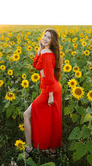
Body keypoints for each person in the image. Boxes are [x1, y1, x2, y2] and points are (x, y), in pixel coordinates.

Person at [23, 28, 63, 159]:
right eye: (44, 36)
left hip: (49, 89)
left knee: (26, 114)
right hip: (52, 88)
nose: (45, 39)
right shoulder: (47, 51)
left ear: (53, 41)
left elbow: (49, 76)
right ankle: (52, 151)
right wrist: (39, 49)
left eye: (48, 37)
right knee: (51, 119)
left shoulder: (47, 53)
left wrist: (50, 94)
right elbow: (36, 65)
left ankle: (29, 149)